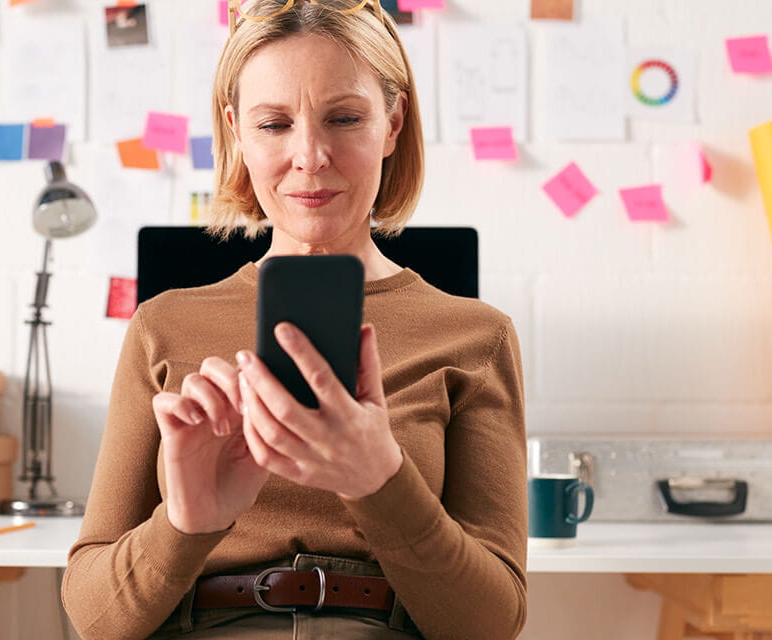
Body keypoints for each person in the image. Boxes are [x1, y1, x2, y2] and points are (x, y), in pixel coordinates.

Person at [61, 1, 528, 638]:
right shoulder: (161, 325)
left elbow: (492, 623)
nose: (309, 156)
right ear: (237, 133)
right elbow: (94, 619)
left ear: (393, 122)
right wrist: (185, 524)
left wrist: (381, 482)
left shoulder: (476, 336)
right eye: (274, 123)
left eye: (344, 118)